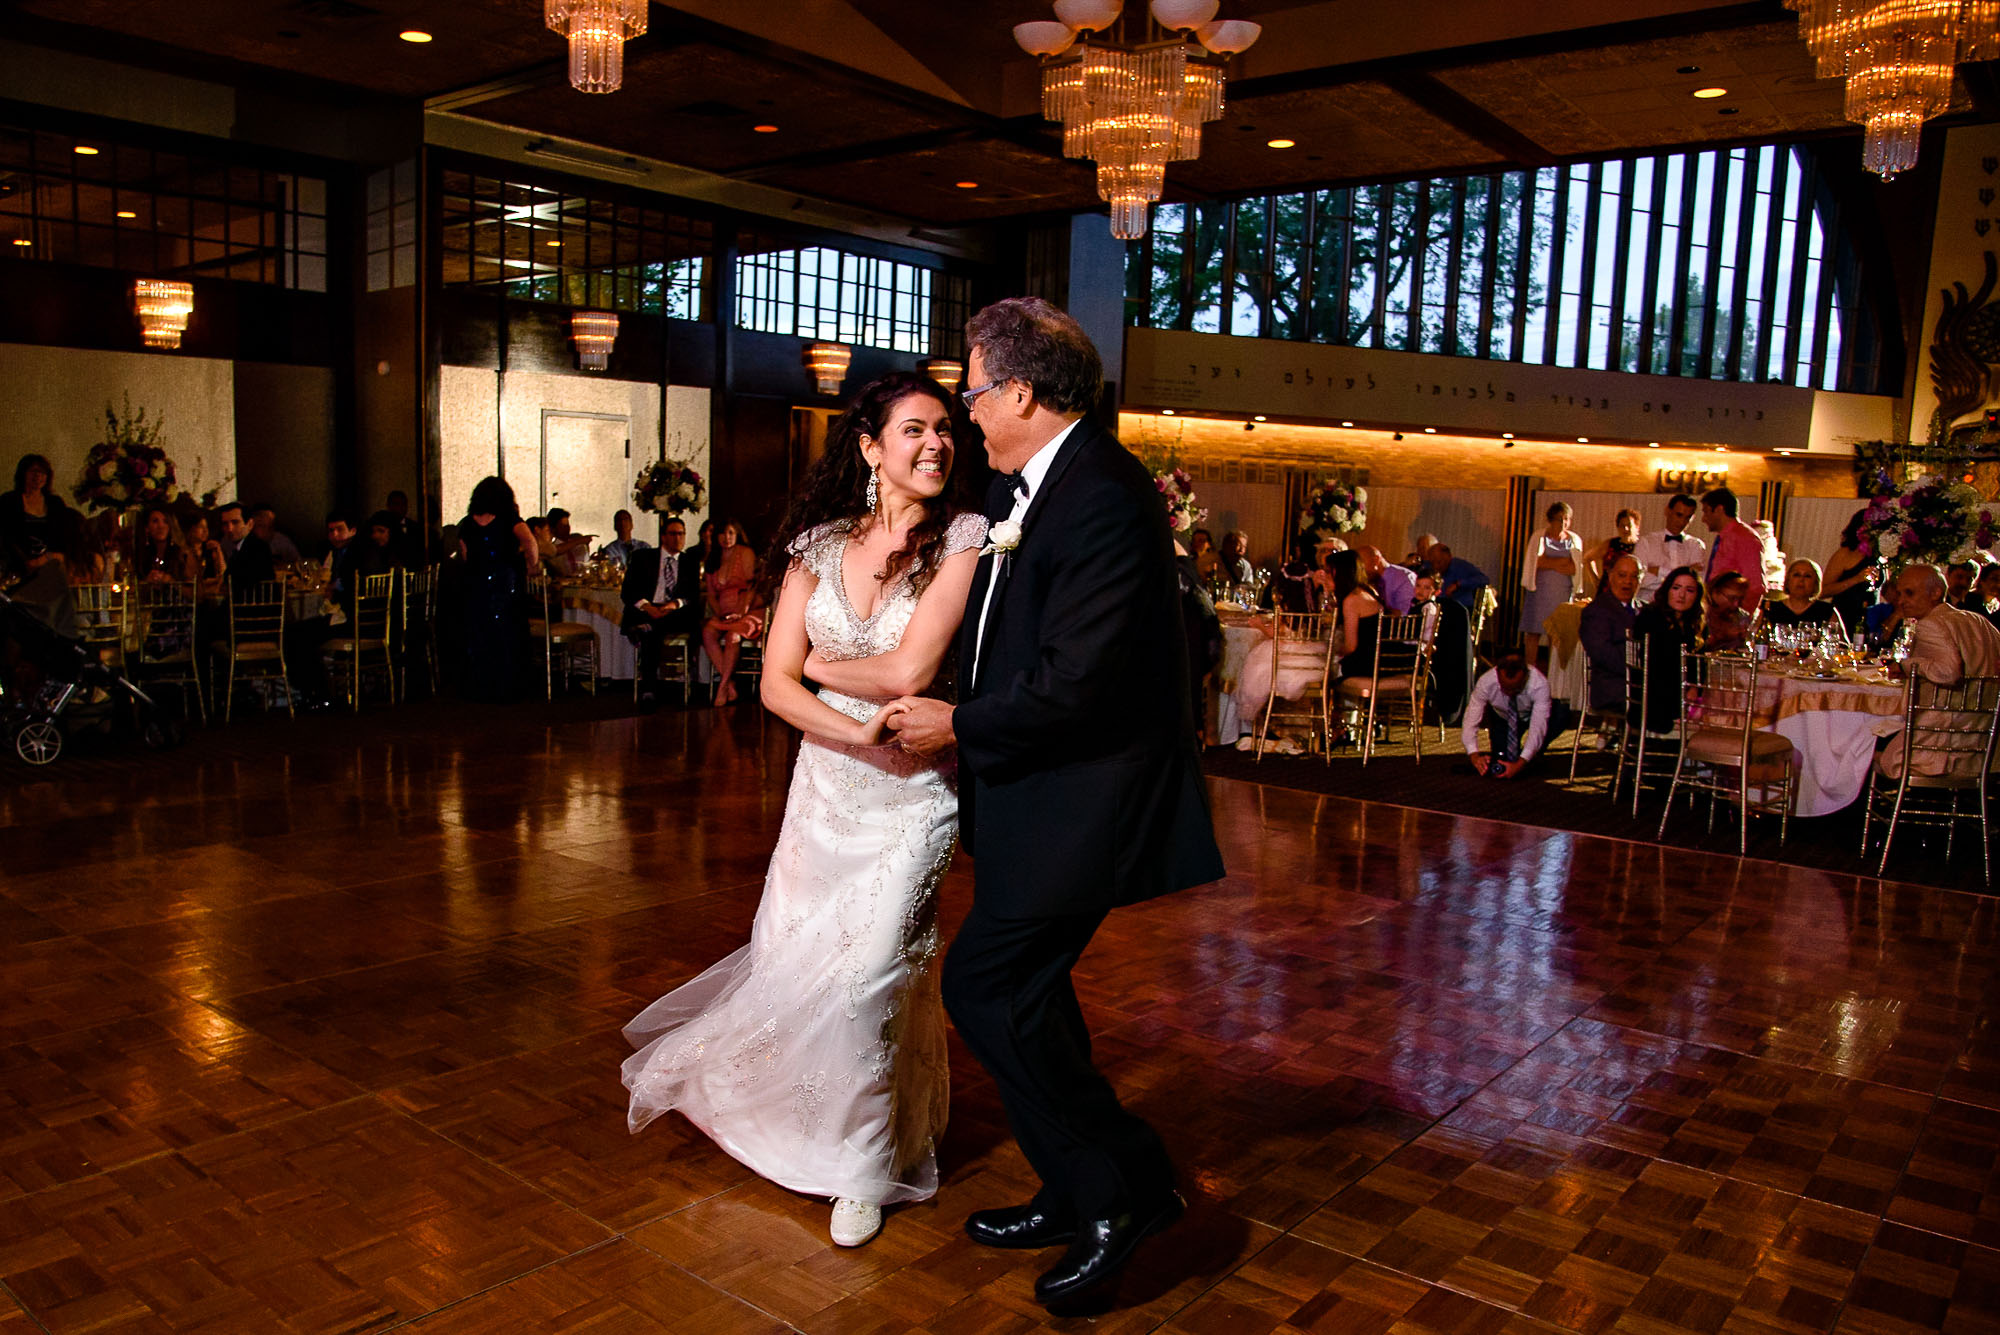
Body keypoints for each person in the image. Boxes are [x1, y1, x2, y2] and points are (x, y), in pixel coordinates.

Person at [884, 297, 1222, 1309]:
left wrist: (959, 727)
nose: (967, 414)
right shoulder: (1041, 486)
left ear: (1022, 392)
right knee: (1027, 996)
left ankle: (1126, 1188)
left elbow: (1078, 681)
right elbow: (1025, 647)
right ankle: (1073, 1186)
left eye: (974, 392)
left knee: (986, 987)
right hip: (1041, 796)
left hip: (1089, 802)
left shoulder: (1102, 494)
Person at [622, 370, 985, 1249]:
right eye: (914, 430)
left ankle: (862, 1167)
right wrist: (857, 732)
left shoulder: (966, 539)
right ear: (870, 448)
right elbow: (769, 688)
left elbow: (905, 671)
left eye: (944, 429)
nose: (936, 443)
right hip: (826, 792)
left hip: (914, 802)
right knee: (798, 962)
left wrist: (817, 664)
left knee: (872, 976)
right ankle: (799, 1130)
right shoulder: (818, 546)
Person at [1880, 563, 2000, 781]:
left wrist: (1908, 665)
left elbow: (1948, 673)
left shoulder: (1930, 624)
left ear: (1936, 593)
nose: (1901, 601)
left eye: (1909, 593)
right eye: (1899, 593)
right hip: (1981, 752)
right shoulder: (1980, 622)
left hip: (1935, 750)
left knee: (1858, 746)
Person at [455, 477, 539, 702]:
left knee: (480, 632)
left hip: (476, 582)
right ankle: (508, 685)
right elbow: (530, 542)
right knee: (508, 631)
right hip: (506, 581)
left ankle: (481, 685)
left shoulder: (467, 523)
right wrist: (532, 566)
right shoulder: (510, 519)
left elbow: (464, 553)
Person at [620, 514, 701, 705]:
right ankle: (648, 689)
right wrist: (647, 607)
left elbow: (693, 595)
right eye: (673, 534)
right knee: (651, 630)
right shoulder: (643, 557)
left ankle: (650, 686)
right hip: (649, 607)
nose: (678, 539)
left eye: (681, 534)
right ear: (663, 537)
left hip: (675, 612)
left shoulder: (690, 561)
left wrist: (674, 604)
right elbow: (627, 592)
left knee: (651, 628)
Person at [1463, 649, 1571, 777]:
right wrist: (1474, 756)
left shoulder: (1539, 684)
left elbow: (1538, 727)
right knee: (1502, 760)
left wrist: (1520, 764)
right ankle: (1520, 755)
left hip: (1530, 715)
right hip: (1503, 717)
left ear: (1525, 675)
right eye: (1506, 688)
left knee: (1562, 713)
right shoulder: (1486, 682)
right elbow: (1470, 720)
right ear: (1497, 674)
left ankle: (1533, 753)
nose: (1510, 693)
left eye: (1515, 688)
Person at [1632, 566, 1703, 733]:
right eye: (1676, 588)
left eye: (1689, 590)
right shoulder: (1651, 616)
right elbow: (1657, 665)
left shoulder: (1694, 624)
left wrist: (1694, 686)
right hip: (1652, 696)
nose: (1682, 595)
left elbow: (1698, 663)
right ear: (1668, 589)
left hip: (1680, 694)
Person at [701, 519, 762, 706]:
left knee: (732, 637)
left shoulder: (745, 553)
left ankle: (723, 686)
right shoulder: (713, 558)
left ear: (737, 534)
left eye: (730, 533)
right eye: (722, 533)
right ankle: (731, 685)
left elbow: (752, 586)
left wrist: (741, 611)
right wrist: (720, 613)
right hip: (725, 612)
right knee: (708, 632)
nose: (726, 538)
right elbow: (711, 595)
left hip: (749, 609)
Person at [1, 454, 78, 588]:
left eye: (42, 472)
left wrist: (46, 559)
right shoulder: (9, 501)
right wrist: (26, 562)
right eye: (33, 471)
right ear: (23, 474)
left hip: (50, 563)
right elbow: (6, 536)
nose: (37, 476)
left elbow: (63, 538)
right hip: (17, 565)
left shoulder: (55, 503)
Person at [1519, 501, 1579, 663]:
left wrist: (1549, 562)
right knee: (1533, 632)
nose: (1563, 523)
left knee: (1557, 634)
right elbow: (1536, 562)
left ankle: (1554, 673)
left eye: (1567, 519)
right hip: (1539, 592)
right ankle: (1529, 670)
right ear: (1551, 520)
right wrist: (1559, 563)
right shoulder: (1539, 536)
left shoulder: (1574, 540)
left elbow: (1573, 568)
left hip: (1562, 592)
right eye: (1560, 519)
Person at [1412, 570, 1475, 726]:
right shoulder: (1418, 606)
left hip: (1423, 652)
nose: (1421, 590)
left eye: (1427, 588)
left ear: (1437, 591)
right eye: (1419, 586)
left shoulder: (1429, 609)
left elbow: (1424, 636)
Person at [1580, 552, 1639, 712]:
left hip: (1641, 685)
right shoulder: (1597, 611)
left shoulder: (1645, 610)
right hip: (1614, 688)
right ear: (1610, 576)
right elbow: (1603, 654)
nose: (1628, 581)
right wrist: (1640, 672)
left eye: (1634, 576)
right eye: (1622, 575)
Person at [1633, 493, 1706, 604]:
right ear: (1668, 511)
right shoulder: (1646, 542)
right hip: (1649, 605)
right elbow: (1639, 580)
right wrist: (1682, 575)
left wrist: (1658, 571)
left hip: (1683, 607)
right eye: (1679, 515)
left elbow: (1696, 583)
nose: (1682, 522)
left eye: (1688, 518)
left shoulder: (1695, 545)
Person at [1700, 487, 1766, 607]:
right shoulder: (1726, 537)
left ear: (1719, 509)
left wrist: (1741, 620)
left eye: (1706, 511)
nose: (1703, 519)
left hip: (1731, 616)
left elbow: (1755, 586)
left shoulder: (1745, 537)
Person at [1328, 548, 1383, 678]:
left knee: (1325, 669)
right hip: (1376, 659)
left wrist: (1333, 651)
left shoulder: (1352, 599)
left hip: (1366, 665)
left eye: (1328, 571)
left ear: (1337, 572)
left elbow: (1351, 647)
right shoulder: (1368, 591)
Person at [1765, 558, 1846, 637]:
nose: (1801, 580)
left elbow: (1842, 645)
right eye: (1796, 575)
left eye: (1807, 576)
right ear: (1788, 580)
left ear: (1815, 583)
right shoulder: (1769, 607)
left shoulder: (1827, 611)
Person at [1583, 508, 1642, 592]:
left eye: (1629, 525)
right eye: (1622, 525)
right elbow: (1587, 558)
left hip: (1630, 592)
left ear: (1637, 527)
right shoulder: (1610, 544)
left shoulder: (1641, 547)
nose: (1625, 529)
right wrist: (1595, 580)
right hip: (1607, 592)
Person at [131, 506, 192, 584]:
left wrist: (171, 581)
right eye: (155, 521)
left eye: (165, 522)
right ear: (147, 528)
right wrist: (147, 582)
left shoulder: (183, 555)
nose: (161, 526)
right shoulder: (141, 555)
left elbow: (195, 590)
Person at [1703, 571, 1755, 653]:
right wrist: (1721, 637)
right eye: (1732, 598)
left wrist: (1746, 637)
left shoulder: (1742, 616)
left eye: (1740, 599)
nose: (1736, 604)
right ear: (1715, 593)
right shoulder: (1701, 614)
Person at [1427, 543, 1489, 610]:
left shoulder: (1461, 566)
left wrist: (1459, 584)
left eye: (1439, 562)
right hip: (1439, 608)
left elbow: (1484, 580)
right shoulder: (1429, 568)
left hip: (1464, 608)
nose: (1436, 566)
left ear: (1448, 556)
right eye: (1432, 563)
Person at [1359, 544, 1415, 613]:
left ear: (1376, 560)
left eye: (1361, 564)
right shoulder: (1368, 580)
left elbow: (1405, 615)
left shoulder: (1405, 578)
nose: (1359, 569)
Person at [183, 513, 226, 598]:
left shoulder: (210, 550)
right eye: (201, 527)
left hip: (210, 596)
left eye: (206, 527)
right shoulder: (183, 552)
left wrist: (219, 552)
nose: (205, 531)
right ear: (191, 529)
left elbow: (222, 573)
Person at [383, 489, 425, 567]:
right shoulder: (383, 526)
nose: (400, 508)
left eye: (403, 504)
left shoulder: (415, 527)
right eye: (396, 504)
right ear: (388, 506)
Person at [545, 508, 593, 576]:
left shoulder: (579, 544)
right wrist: (579, 541)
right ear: (553, 528)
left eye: (567, 525)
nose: (567, 528)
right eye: (563, 526)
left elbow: (586, 565)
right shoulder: (551, 548)